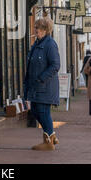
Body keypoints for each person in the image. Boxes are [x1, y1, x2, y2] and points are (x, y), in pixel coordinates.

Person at [24, 18, 61, 151]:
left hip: (45, 85)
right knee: (35, 110)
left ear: (45, 30)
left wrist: (41, 78)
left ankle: (48, 142)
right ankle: (52, 135)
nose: (35, 31)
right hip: (36, 86)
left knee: (43, 111)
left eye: (38, 28)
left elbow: (55, 65)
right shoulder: (38, 43)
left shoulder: (50, 44)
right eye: (35, 28)